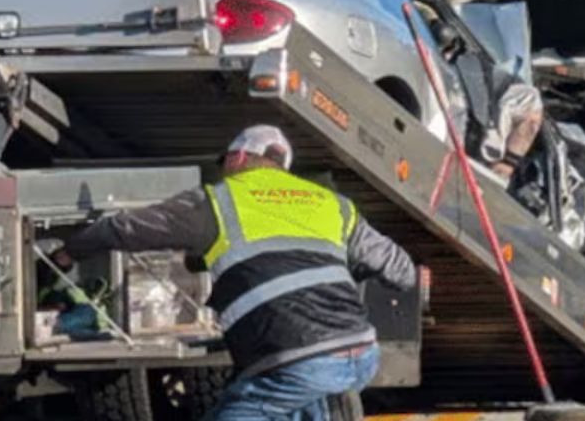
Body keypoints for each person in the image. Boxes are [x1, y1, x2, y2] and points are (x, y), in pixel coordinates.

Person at [51, 125, 417, 420]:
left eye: (225, 160)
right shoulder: (332, 205)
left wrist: (70, 251)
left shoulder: (217, 201)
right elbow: (402, 272)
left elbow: (126, 229)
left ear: (239, 156)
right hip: (361, 353)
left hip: (295, 360)